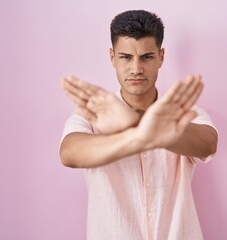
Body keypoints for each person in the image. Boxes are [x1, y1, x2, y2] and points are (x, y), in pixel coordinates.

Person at [59, 9, 218, 240]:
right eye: (126, 57)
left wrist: (134, 121)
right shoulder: (90, 114)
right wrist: (138, 133)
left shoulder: (185, 114)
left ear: (161, 56)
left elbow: (208, 143)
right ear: (112, 56)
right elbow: (70, 153)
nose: (136, 68)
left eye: (146, 57)